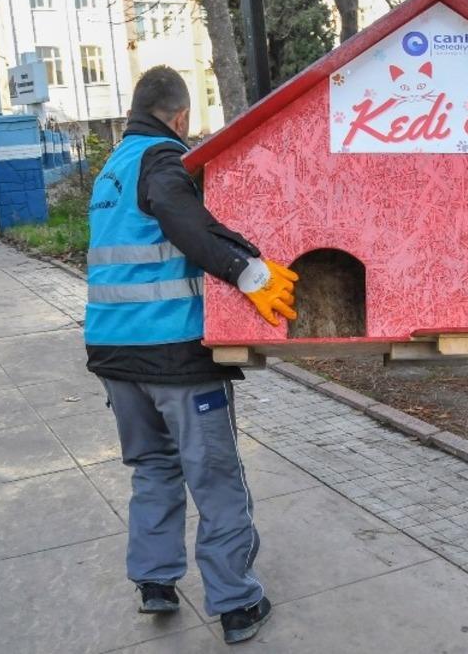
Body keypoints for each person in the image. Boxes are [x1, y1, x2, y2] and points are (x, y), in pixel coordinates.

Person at [85, 66, 298, 644]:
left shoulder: (112, 168)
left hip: (113, 352)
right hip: (173, 352)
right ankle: (236, 603)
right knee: (215, 476)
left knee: (154, 466)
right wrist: (246, 270)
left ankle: (155, 581)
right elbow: (183, 217)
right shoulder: (162, 160)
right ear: (179, 117)